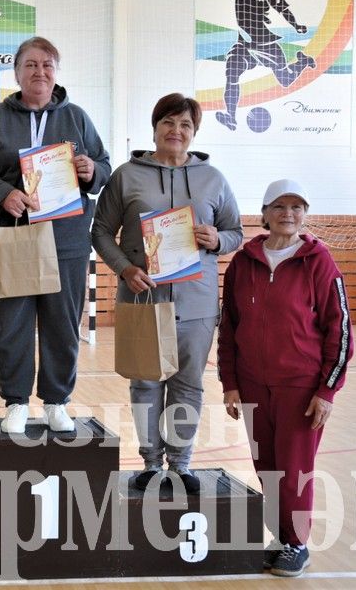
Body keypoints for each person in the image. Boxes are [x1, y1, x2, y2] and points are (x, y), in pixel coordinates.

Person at [91, 93, 242, 494]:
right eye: (169, 123)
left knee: (188, 384)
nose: (176, 132)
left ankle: (181, 463)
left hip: (196, 303)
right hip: (143, 299)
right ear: (155, 128)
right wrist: (125, 268)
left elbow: (236, 234)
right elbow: (101, 231)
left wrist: (217, 238)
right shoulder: (126, 175)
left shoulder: (214, 179)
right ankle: (150, 463)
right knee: (145, 384)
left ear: (194, 133)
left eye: (186, 125)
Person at [0, 36, 111, 434]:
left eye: (47, 64)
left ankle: (58, 400)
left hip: (67, 240)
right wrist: (3, 194)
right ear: (17, 72)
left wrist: (91, 169)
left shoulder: (76, 117)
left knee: (62, 325)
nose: (39, 71)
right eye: (31, 64)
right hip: (11, 238)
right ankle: (14, 401)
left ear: (55, 73)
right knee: (12, 325)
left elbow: (105, 167)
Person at [218, 179, 353, 577]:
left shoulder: (319, 260)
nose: (288, 214)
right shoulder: (244, 262)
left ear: (305, 214)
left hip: (301, 386)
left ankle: (298, 543)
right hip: (253, 384)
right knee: (268, 467)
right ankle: (280, 539)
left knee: (294, 468)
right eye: (280, 206)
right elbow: (229, 327)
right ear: (265, 213)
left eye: (297, 207)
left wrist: (327, 390)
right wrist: (231, 383)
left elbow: (340, 329)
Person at [215, 0, 316, 131]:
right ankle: (230, 117)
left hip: (266, 44)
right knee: (232, 70)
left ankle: (303, 62)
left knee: (285, 80)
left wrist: (296, 25)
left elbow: (283, 9)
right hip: (244, 43)